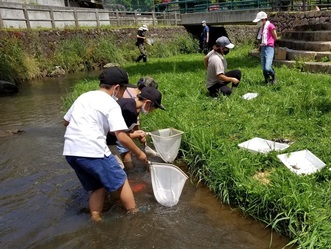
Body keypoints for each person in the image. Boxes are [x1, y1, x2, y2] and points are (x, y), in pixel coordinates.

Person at [63, 66, 148, 222]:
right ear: (116, 88)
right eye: (123, 90)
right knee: (121, 179)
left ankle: (96, 218)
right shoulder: (111, 103)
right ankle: (135, 215)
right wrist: (139, 153)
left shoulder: (83, 97)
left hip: (70, 152)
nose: (123, 95)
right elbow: (121, 136)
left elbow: (65, 121)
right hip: (92, 150)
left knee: (98, 186)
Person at [109, 86, 165, 169]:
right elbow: (116, 133)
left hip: (108, 139)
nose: (152, 111)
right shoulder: (129, 111)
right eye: (154, 108)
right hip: (105, 141)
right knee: (118, 170)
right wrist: (139, 153)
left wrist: (136, 133)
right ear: (148, 103)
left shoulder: (130, 104)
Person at [119, 76, 159, 167]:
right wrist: (138, 152)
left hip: (117, 129)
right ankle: (129, 170)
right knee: (126, 152)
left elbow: (134, 121)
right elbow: (118, 134)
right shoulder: (130, 103)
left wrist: (137, 133)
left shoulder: (132, 92)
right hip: (113, 133)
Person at [253, 11, 278, 84]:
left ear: (264, 19)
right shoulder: (262, 28)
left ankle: (273, 76)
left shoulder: (270, 26)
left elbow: (275, 37)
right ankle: (267, 81)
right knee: (264, 69)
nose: (259, 22)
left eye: (260, 20)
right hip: (263, 48)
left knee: (267, 67)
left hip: (269, 48)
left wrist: (270, 43)